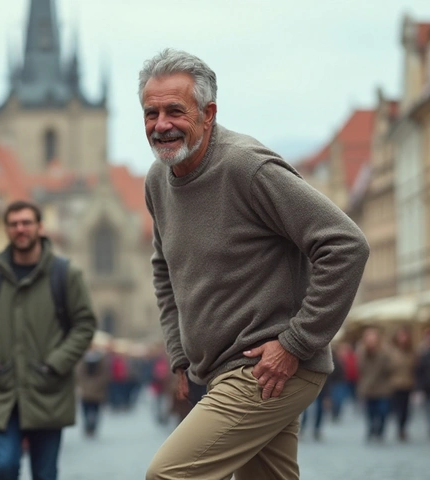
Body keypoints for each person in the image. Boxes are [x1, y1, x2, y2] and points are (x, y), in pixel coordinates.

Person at [141, 49, 370, 480]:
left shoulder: (247, 167)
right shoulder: (157, 179)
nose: (161, 124)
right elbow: (163, 267)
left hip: (264, 366)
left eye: (175, 110)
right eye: (151, 113)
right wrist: (178, 355)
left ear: (208, 114)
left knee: (168, 474)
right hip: (223, 369)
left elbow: (346, 244)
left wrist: (295, 344)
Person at [0, 200, 96, 480]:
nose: (20, 229)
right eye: (13, 224)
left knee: (45, 474)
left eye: (26, 223)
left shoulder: (64, 273)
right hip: (4, 390)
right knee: (4, 466)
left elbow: (85, 324)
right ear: (7, 230)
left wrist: (56, 363)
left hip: (47, 389)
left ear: (40, 227)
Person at [357, 328, 392, 443]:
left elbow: (389, 369)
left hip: (382, 388)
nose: (371, 341)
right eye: (368, 339)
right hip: (368, 388)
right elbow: (360, 368)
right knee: (370, 412)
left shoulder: (384, 351)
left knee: (383, 411)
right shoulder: (362, 352)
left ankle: (380, 430)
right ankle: (371, 429)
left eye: (373, 339)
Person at [75, 345, 110, 438]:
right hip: (96, 391)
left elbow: (78, 374)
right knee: (95, 410)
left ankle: (89, 427)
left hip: (86, 391)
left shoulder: (82, 359)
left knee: (87, 410)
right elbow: (105, 375)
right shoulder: (102, 360)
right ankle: (91, 427)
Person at [389, 326, 416, 441]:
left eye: (405, 336)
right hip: (394, 384)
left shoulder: (411, 352)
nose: (403, 339)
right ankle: (399, 427)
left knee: (406, 409)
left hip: (408, 384)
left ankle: (402, 428)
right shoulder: (391, 351)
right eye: (401, 336)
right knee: (397, 408)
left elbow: (416, 368)